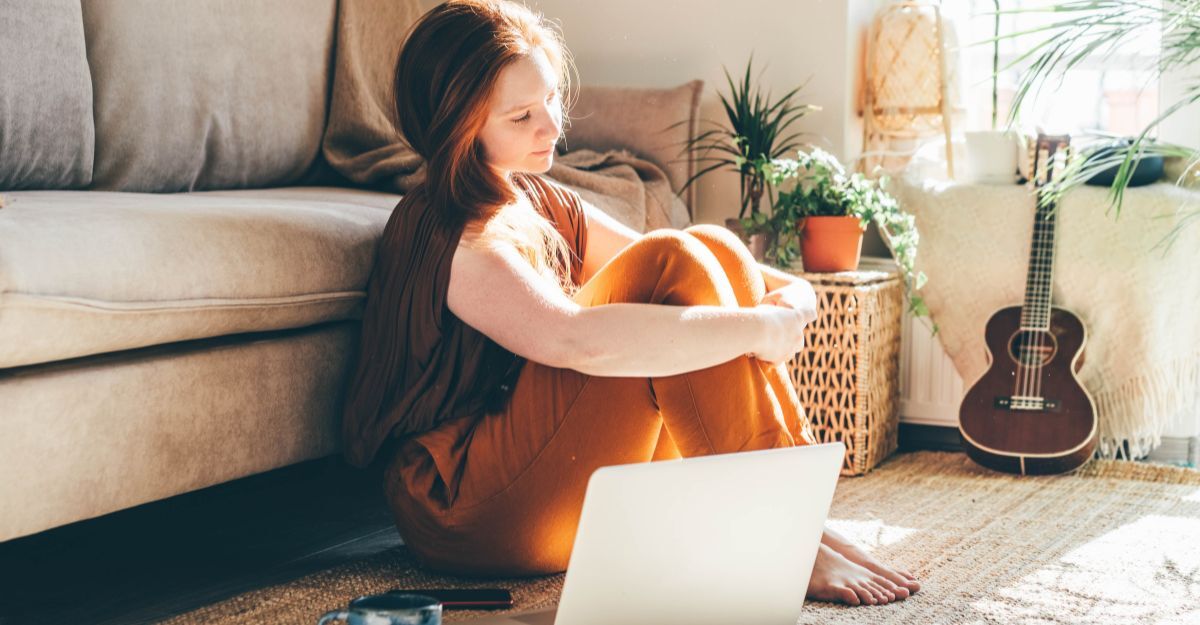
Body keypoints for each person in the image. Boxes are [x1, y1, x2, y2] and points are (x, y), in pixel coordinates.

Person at [340, 0, 921, 607]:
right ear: (457, 128)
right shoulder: (455, 234)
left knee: (707, 247)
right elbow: (572, 339)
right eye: (521, 117)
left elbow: (681, 259)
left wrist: (791, 289)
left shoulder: (530, 193)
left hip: (524, 470)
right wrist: (758, 329)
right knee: (670, 261)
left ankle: (794, 518)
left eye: (551, 101)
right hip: (462, 509)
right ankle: (783, 530)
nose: (552, 128)